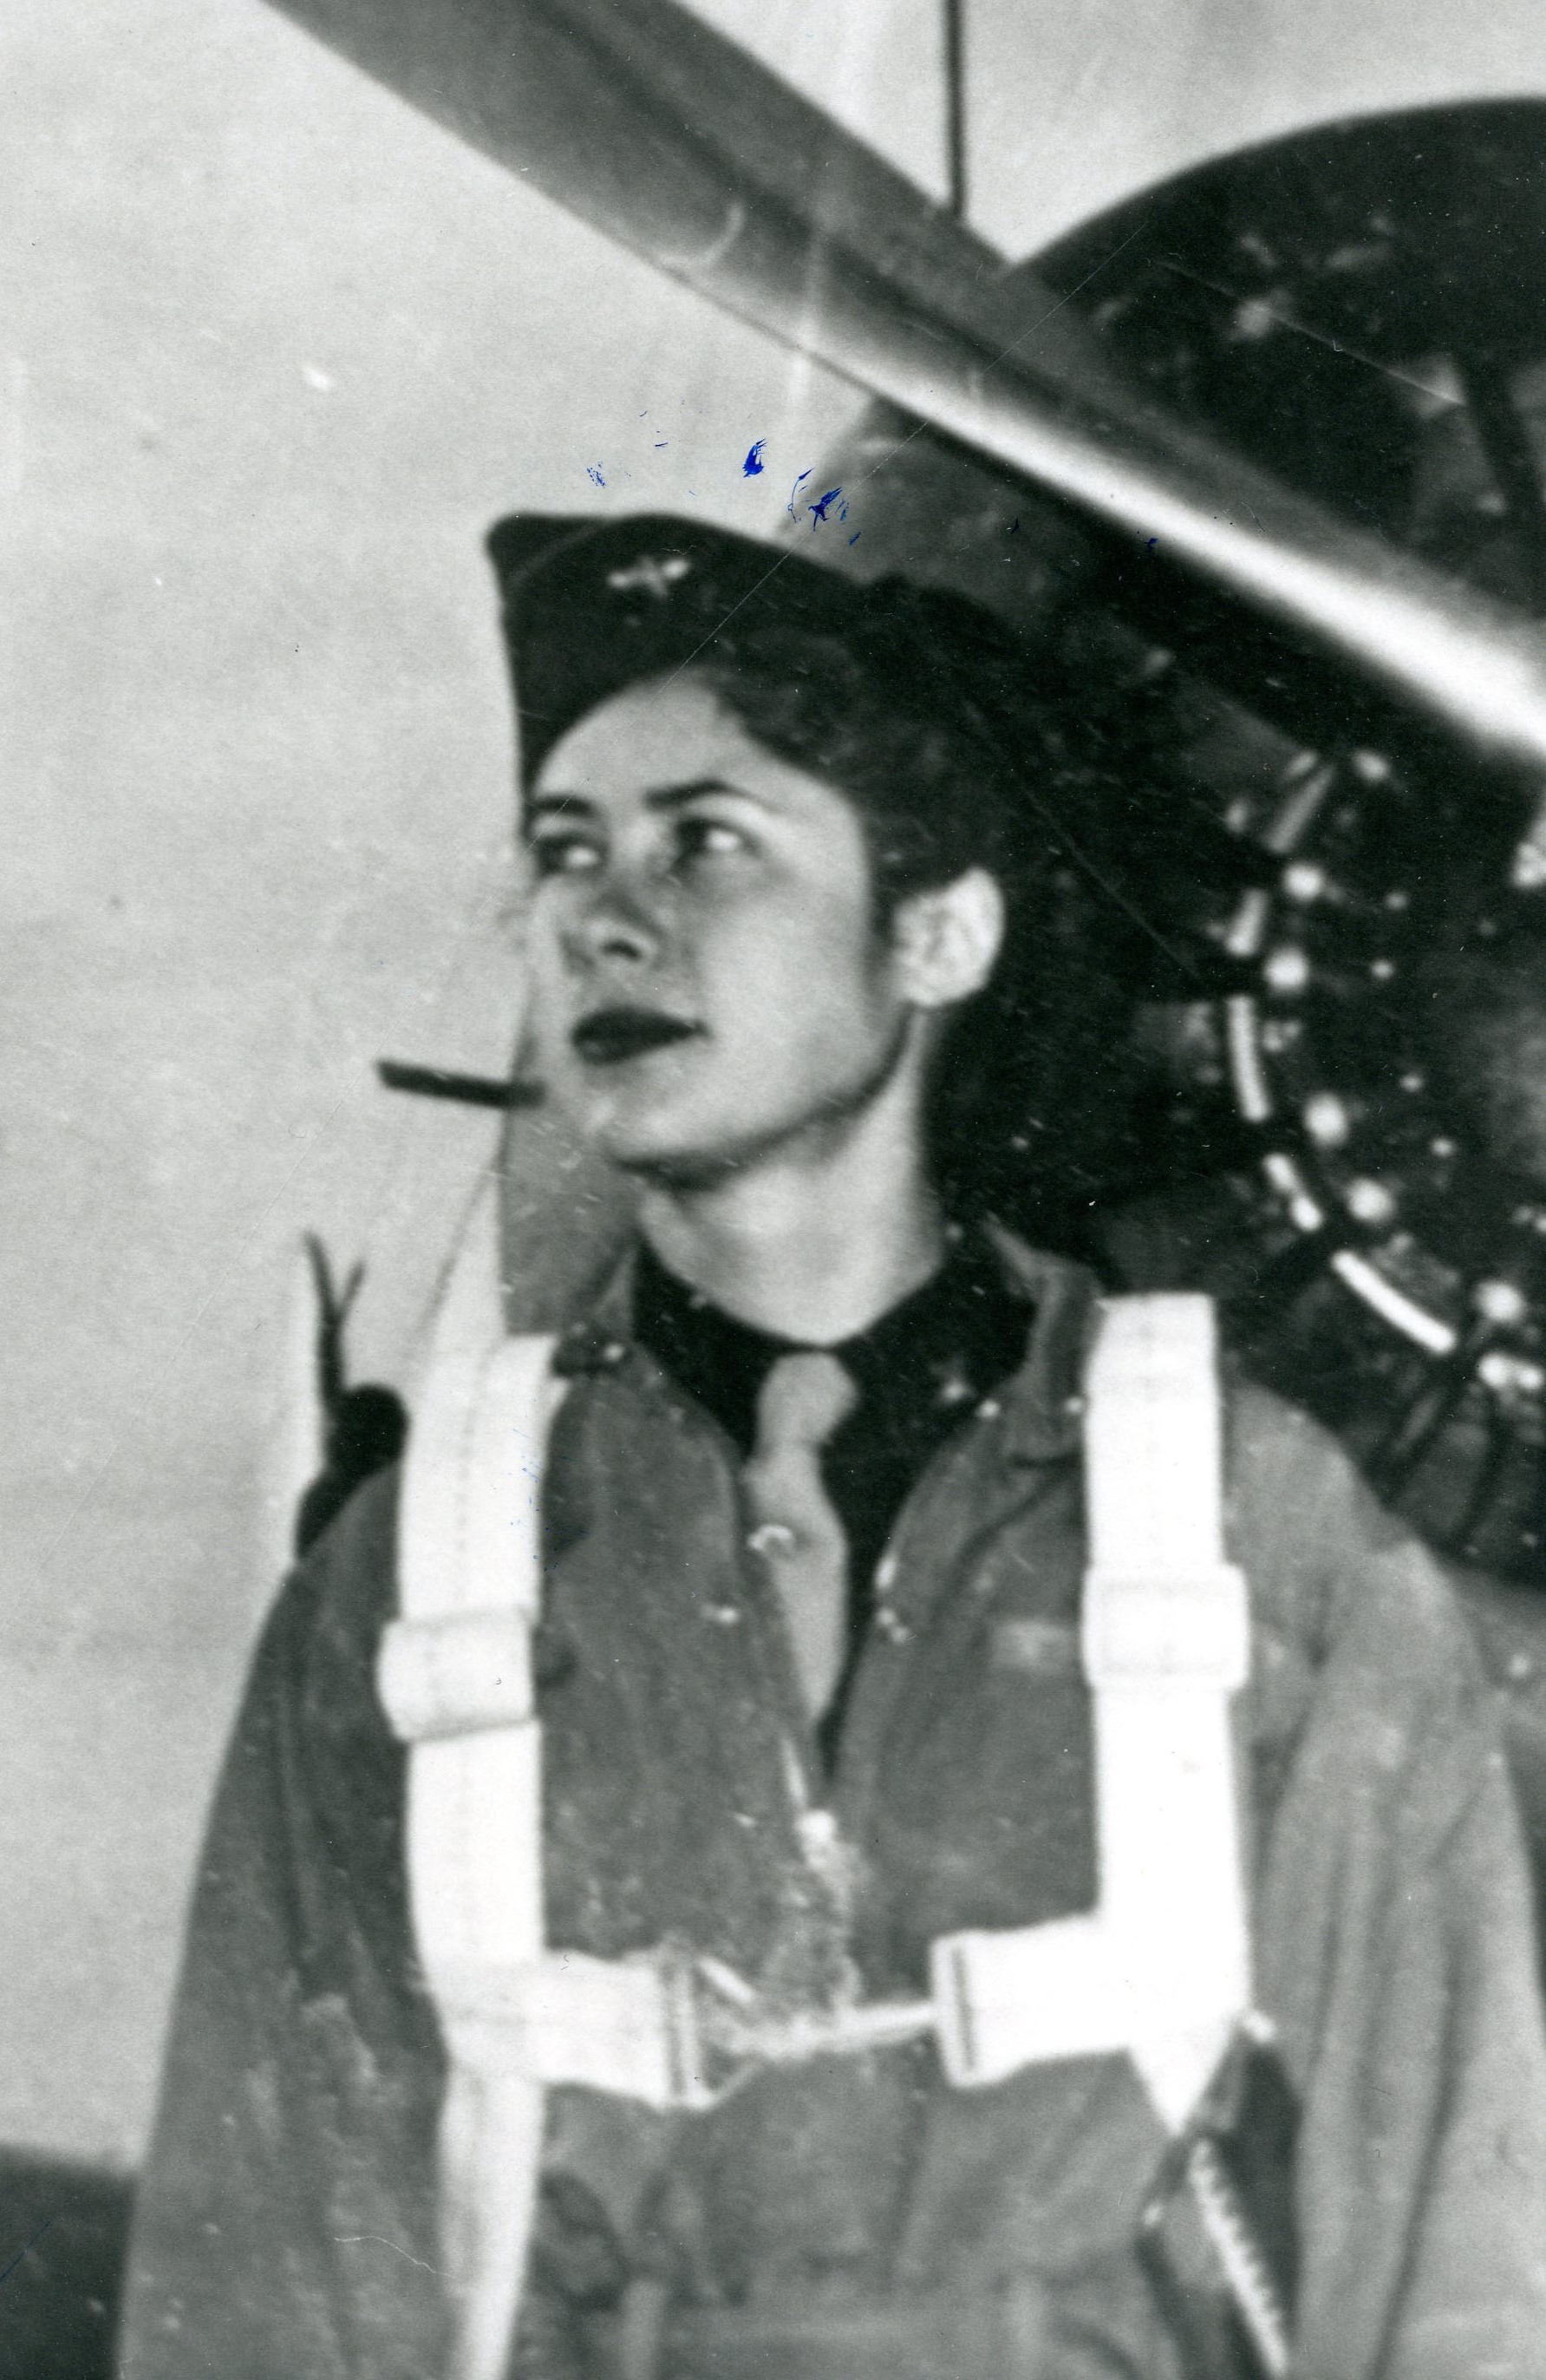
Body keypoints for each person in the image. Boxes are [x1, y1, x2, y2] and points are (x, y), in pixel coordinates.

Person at [118, 515, 1546, 2380]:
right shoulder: (417, 1576)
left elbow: (1462, 2267)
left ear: (939, 932)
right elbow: (260, 2298)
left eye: (709, 842)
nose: (602, 917)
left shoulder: (1259, 1532)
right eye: (566, 852)